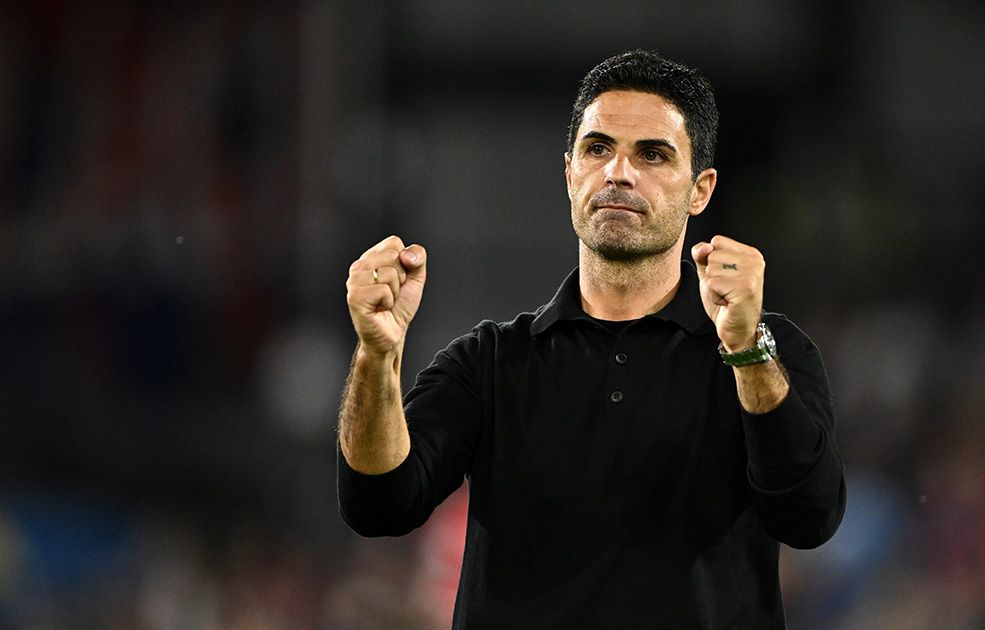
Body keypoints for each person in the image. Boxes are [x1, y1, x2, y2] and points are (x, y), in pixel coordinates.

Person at [337, 49, 845, 629]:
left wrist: (747, 351)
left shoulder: (771, 350)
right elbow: (378, 505)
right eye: (598, 148)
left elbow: (809, 518)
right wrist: (377, 354)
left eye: (652, 154)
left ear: (700, 190)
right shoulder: (489, 363)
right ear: (570, 172)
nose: (618, 172)